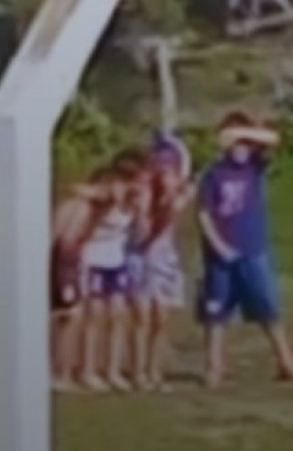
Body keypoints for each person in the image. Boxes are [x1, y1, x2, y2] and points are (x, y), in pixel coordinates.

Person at [196, 112, 293, 388]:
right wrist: (218, 245)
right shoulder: (213, 174)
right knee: (216, 311)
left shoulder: (254, 167)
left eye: (245, 142)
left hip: (254, 249)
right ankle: (214, 366)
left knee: (268, 307)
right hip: (221, 254)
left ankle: (286, 361)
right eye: (236, 142)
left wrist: (244, 133)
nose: (241, 148)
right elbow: (204, 214)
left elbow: (275, 140)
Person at [124, 137, 192, 391]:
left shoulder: (175, 198)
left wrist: (173, 202)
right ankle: (137, 371)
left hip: (164, 259)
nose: (165, 175)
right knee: (141, 317)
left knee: (160, 318)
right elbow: (143, 235)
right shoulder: (142, 194)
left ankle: (154, 371)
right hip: (140, 258)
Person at [76, 162, 141, 392]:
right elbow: (79, 191)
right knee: (94, 317)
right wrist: (104, 194)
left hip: (117, 261)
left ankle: (113, 371)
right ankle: (88, 370)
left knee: (117, 316)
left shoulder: (132, 205)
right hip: (94, 261)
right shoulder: (101, 202)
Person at [50, 167, 115, 392]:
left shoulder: (95, 207)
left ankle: (64, 372)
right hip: (63, 260)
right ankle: (59, 373)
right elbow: (59, 237)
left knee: (73, 317)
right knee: (67, 318)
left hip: (72, 261)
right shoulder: (79, 206)